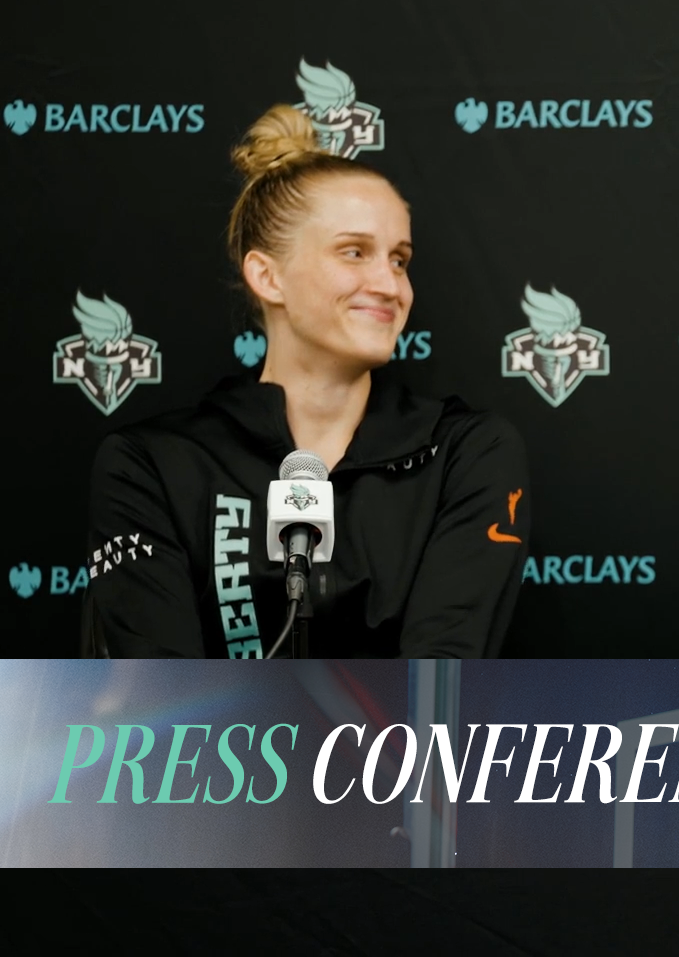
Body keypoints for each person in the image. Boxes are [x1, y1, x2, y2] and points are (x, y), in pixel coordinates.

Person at [82, 105, 530, 658]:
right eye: (354, 252)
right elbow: (159, 705)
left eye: (399, 260)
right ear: (268, 276)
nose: (390, 285)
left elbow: (440, 691)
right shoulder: (150, 465)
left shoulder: (467, 453)